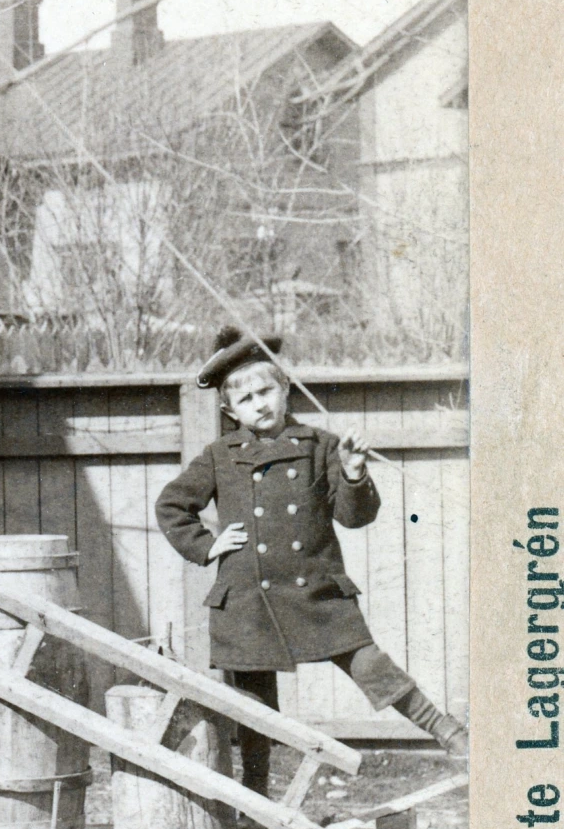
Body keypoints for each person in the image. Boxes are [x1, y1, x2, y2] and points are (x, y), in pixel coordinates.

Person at [155, 327, 469, 794]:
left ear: (284, 388)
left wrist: (354, 473)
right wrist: (206, 546)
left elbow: (354, 517)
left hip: (317, 590)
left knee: (370, 664)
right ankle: (256, 796)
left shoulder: (322, 445)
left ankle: (449, 732)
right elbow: (171, 505)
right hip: (248, 598)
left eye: (265, 391)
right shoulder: (220, 455)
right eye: (245, 400)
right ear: (230, 411)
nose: (259, 405)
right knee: (256, 706)